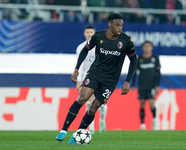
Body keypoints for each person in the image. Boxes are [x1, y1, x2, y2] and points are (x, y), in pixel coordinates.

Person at [55, 13, 137, 144]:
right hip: (95, 74)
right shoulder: (98, 36)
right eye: (117, 25)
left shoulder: (126, 40)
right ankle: (63, 130)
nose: (119, 27)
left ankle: (78, 134)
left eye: (121, 25)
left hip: (110, 81)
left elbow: (134, 61)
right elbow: (84, 50)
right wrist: (76, 69)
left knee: (93, 108)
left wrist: (127, 81)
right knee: (82, 98)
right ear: (110, 24)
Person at [76, 25, 107, 134]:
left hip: (101, 77)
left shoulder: (100, 46)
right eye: (87, 32)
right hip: (87, 77)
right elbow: (79, 65)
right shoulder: (80, 48)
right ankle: (91, 127)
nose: (89, 34)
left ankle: (102, 120)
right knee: (88, 103)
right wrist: (79, 80)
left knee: (101, 104)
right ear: (84, 33)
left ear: (95, 34)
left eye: (91, 32)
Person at [132, 41, 161, 130]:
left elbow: (158, 73)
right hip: (142, 85)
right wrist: (133, 85)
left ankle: (154, 120)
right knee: (142, 103)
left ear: (151, 48)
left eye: (148, 46)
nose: (147, 48)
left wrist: (157, 85)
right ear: (143, 48)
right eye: (145, 46)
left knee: (152, 103)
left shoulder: (155, 58)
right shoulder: (139, 58)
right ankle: (142, 124)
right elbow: (135, 72)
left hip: (151, 85)